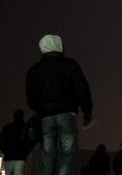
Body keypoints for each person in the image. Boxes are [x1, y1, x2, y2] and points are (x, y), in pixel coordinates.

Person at [25, 34, 94, 175]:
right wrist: (87, 112)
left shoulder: (34, 70)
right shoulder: (70, 65)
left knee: (48, 154)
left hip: (45, 117)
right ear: (59, 46)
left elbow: (30, 97)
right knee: (67, 153)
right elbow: (82, 89)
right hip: (66, 114)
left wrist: (40, 109)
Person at [0, 110, 35, 175]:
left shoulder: (7, 127)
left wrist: (5, 151)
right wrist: (25, 152)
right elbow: (31, 141)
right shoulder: (26, 127)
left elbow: (2, 141)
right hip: (20, 157)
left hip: (9, 156)